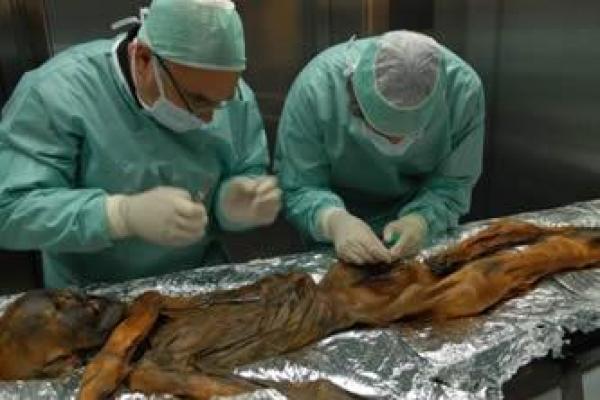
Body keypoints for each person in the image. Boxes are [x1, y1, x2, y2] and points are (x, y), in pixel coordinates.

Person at [0, 0, 281, 288]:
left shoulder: (230, 97)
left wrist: (229, 205)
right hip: (92, 296)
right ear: (144, 58)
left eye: (221, 101)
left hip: (200, 285)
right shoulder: (58, 93)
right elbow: (10, 209)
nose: (210, 118)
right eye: (197, 100)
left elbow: (246, 169)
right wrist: (119, 215)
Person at [275, 30, 485, 265]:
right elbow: (299, 185)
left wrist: (421, 221)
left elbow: (453, 183)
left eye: (409, 134)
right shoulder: (317, 89)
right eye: (381, 132)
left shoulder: (462, 91)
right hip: (332, 235)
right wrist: (334, 222)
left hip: (416, 237)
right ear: (354, 96)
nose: (394, 145)